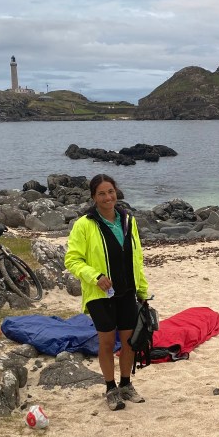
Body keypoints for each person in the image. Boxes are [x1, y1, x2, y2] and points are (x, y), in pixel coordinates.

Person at [64, 174, 150, 411]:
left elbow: (137, 256)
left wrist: (142, 289)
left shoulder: (127, 220)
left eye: (110, 191)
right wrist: (95, 277)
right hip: (100, 294)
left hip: (127, 291)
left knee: (129, 342)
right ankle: (111, 388)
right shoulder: (84, 224)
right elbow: (72, 260)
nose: (107, 197)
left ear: (116, 192)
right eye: (101, 193)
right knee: (106, 341)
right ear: (93, 197)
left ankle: (126, 385)